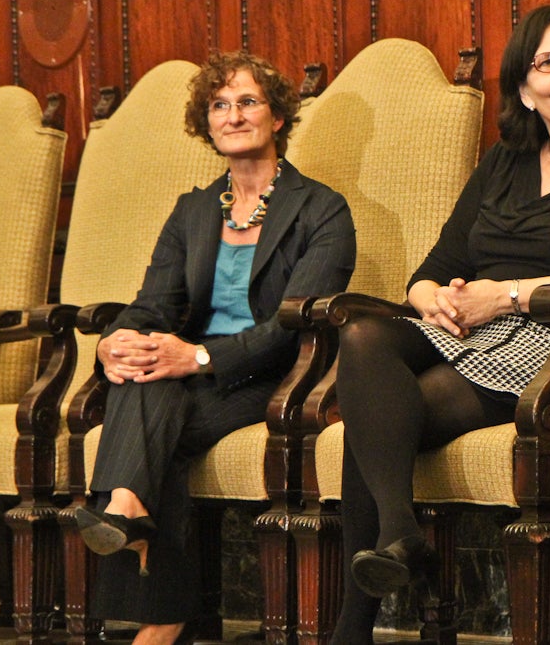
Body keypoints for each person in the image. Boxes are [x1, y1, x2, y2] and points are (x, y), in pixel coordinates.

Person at [329, 5, 550, 642]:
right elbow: (434, 266)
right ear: (523, 89)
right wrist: (435, 298)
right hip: (474, 332)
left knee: (372, 420)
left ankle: (357, 621)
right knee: (361, 336)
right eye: (547, 63)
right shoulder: (503, 163)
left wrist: (507, 295)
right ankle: (400, 537)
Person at [74, 51, 356, 644]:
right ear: (207, 123)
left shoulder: (322, 209)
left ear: (277, 116)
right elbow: (152, 302)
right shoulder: (193, 210)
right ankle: (134, 521)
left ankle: (149, 575)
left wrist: (198, 357)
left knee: (153, 400)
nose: (233, 116)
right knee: (144, 385)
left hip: (276, 377)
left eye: (248, 102)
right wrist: (114, 344)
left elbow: (294, 322)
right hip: (190, 372)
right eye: (219, 106)